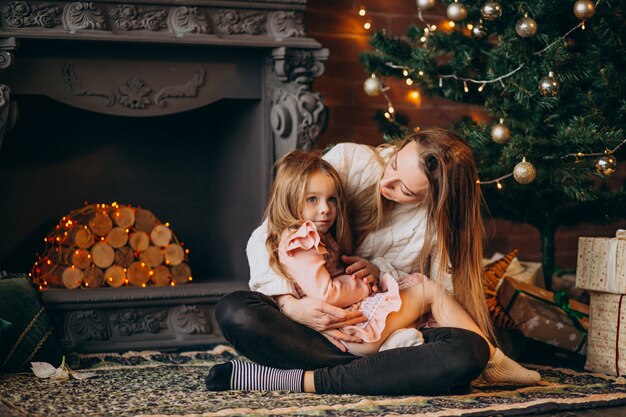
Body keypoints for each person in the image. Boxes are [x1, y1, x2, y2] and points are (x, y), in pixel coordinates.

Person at [209, 129, 541, 395]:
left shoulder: (437, 229)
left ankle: (286, 378)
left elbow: (440, 301)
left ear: (436, 199)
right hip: (311, 329)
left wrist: (379, 271)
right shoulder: (350, 161)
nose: (387, 183)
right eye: (395, 164)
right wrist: (287, 304)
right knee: (234, 310)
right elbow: (272, 231)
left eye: (407, 190)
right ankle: (378, 375)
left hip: (375, 331)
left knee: (468, 351)